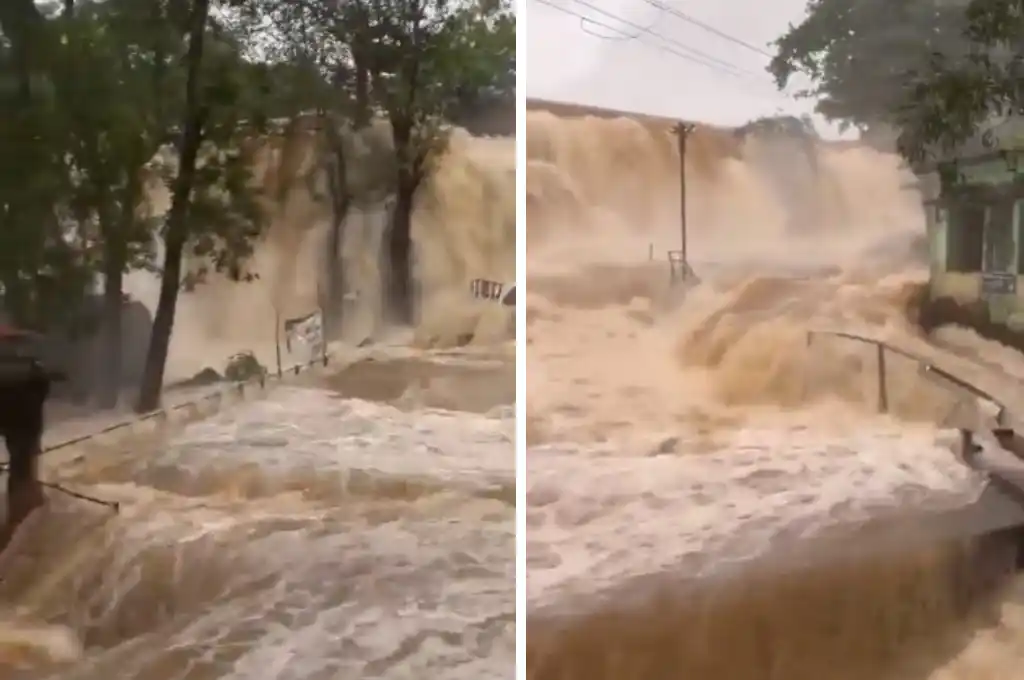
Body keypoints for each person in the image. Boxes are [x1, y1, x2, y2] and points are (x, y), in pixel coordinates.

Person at [0, 326, 61, 549]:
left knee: (21, 468)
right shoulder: (33, 368)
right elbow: (43, 390)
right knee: (24, 470)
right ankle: (19, 525)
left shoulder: (22, 369)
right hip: (27, 425)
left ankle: (18, 522)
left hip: (16, 425)